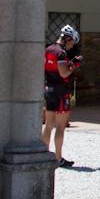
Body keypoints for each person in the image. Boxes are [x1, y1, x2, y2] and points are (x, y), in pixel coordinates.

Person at [42, 25, 82, 167]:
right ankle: (58, 158)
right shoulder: (61, 53)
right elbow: (64, 73)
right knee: (60, 126)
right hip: (61, 92)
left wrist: (69, 63)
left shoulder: (48, 50)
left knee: (48, 125)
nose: (71, 46)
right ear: (68, 38)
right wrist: (74, 65)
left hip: (49, 89)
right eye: (72, 42)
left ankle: (44, 154)